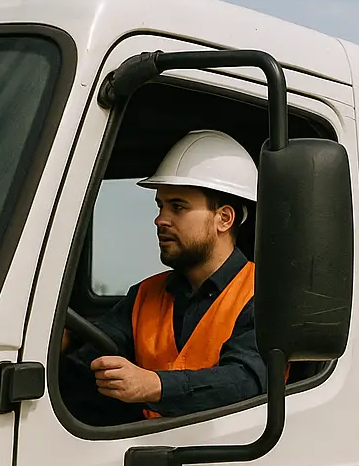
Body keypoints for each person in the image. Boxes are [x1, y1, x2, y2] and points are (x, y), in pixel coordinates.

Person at [60, 129, 267, 425]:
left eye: (178, 207)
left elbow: (245, 380)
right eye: (161, 205)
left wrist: (154, 386)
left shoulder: (264, 294)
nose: (160, 219)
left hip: (233, 457)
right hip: (148, 453)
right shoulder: (145, 294)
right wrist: (61, 344)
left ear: (224, 218)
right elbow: (90, 360)